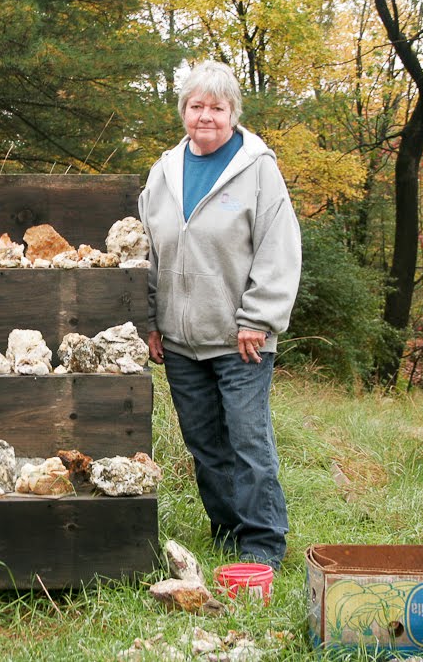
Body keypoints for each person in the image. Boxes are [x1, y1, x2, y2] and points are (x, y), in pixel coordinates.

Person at [138, 61, 302, 570]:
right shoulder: (164, 171)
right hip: (179, 339)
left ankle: (263, 545)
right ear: (182, 111)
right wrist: (150, 318)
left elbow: (280, 247)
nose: (205, 116)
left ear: (233, 113)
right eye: (196, 106)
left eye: (217, 107)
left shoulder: (258, 168)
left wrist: (258, 317)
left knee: (248, 441)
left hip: (241, 339)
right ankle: (227, 534)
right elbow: (145, 249)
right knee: (204, 444)